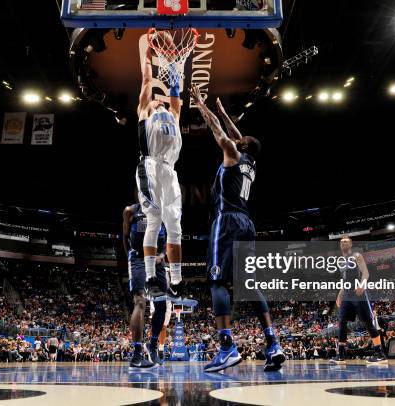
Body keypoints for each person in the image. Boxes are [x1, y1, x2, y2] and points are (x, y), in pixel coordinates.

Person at [191, 85, 284, 373]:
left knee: (218, 281)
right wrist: (223, 111)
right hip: (247, 223)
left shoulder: (232, 154)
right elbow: (234, 133)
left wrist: (201, 105)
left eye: (240, 138)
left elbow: (220, 132)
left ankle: (227, 347)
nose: (237, 137)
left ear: (241, 145)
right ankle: (273, 344)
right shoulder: (251, 164)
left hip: (227, 221)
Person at [135, 37, 184, 301]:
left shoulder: (174, 113)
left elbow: (175, 89)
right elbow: (146, 82)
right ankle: (151, 278)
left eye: (161, 100)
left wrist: (174, 59)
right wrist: (149, 55)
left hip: (170, 169)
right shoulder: (145, 111)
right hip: (150, 164)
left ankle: (176, 280)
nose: (159, 101)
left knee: (175, 225)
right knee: (154, 218)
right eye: (156, 100)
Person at [123, 203, 168, 370]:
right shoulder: (130, 211)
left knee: (161, 305)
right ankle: (136, 354)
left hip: (158, 261)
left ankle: (153, 345)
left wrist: (162, 256)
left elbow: (170, 238)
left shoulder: (165, 209)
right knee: (140, 302)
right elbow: (125, 237)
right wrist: (133, 257)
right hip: (138, 259)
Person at [331, 235, 387, 364]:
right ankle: (341, 355)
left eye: (346, 241)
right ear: (340, 245)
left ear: (350, 244)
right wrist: (340, 294)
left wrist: (361, 285)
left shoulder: (357, 255)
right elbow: (344, 280)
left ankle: (380, 353)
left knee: (367, 322)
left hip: (358, 293)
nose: (343, 243)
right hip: (346, 294)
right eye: (341, 242)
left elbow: (366, 273)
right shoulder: (340, 260)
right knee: (342, 322)